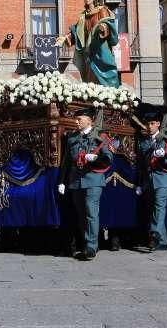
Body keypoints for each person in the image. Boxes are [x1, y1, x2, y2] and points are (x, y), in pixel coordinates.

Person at [60, 107, 113, 260]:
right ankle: (86, 243)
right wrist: (62, 181)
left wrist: (96, 159)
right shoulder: (72, 138)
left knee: (91, 213)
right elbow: (66, 162)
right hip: (76, 181)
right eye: (76, 119)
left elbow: (109, 158)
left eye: (79, 119)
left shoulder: (100, 137)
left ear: (89, 120)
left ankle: (91, 247)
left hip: (93, 179)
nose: (76, 122)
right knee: (81, 215)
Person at [56, 0, 119, 86]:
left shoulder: (101, 10)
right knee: (90, 76)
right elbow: (77, 31)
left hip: (100, 49)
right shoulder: (83, 16)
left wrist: (103, 28)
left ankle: (110, 95)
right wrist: (65, 38)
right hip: (88, 51)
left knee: (106, 73)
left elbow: (107, 23)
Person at [137, 111, 167, 251]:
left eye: (152, 123)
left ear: (158, 124)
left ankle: (154, 234)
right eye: (147, 124)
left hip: (163, 177)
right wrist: (139, 183)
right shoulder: (143, 141)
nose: (149, 127)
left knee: (159, 206)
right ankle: (162, 242)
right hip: (149, 178)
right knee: (152, 208)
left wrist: (164, 156)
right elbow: (141, 164)